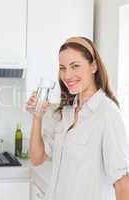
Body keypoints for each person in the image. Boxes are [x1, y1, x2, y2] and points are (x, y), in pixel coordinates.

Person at [26, 36, 129, 200]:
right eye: (63, 68)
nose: (67, 75)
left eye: (75, 66)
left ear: (93, 66)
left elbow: (123, 184)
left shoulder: (107, 113)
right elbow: (37, 158)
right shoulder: (66, 111)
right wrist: (37, 117)